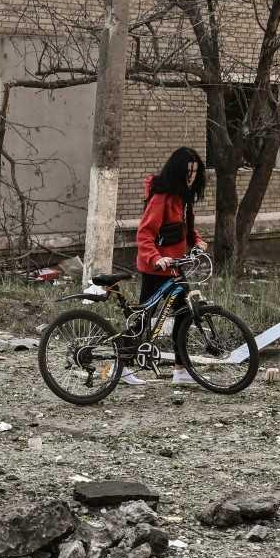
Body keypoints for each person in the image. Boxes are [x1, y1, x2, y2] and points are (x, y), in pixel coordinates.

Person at [124, 147, 207, 384]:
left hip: (176, 267)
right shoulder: (161, 197)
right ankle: (122, 365)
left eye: (194, 172)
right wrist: (155, 258)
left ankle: (181, 370)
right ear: (178, 171)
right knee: (143, 317)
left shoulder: (183, 198)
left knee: (183, 314)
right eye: (187, 171)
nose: (191, 176)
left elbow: (182, 228)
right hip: (156, 268)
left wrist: (196, 240)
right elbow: (145, 233)